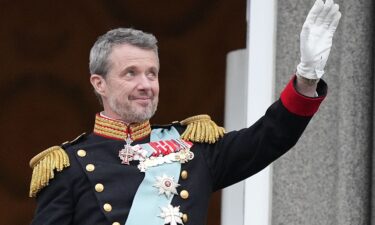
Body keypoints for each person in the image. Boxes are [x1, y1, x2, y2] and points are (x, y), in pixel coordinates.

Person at [29, 0, 341, 224]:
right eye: (131, 73)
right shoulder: (67, 167)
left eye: (152, 73)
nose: (145, 84)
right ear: (99, 83)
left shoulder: (193, 147)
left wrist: (307, 77)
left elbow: (270, 137)